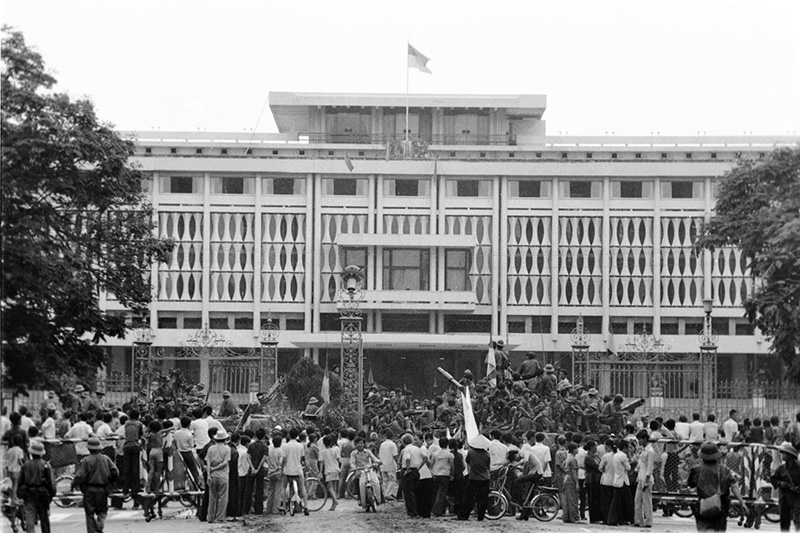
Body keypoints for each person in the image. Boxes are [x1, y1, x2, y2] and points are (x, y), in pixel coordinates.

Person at [688, 441, 747, 532]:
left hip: (704, 507)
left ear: (702, 457)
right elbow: (734, 486)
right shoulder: (724, 469)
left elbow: (691, 484)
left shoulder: (696, 469)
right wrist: (741, 501)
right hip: (721, 507)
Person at [72, 437, 119, 533]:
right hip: (103, 490)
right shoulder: (106, 459)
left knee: (89, 513)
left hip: (89, 490)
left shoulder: (86, 460)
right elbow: (115, 472)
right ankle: (100, 524)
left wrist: (73, 484)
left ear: (88, 448)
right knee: (103, 511)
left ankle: (92, 530)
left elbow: (80, 476)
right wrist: (110, 482)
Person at [18, 440, 55, 533]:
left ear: (31, 453)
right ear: (41, 454)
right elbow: (50, 482)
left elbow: (20, 481)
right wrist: (52, 494)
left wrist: (20, 494)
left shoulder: (26, 465)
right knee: (44, 518)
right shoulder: (46, 465)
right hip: (42, 493)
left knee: (30, 516)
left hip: (29, 493)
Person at [457, 434, 491, 521]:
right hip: (485, 478)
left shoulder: (471, 453)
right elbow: (488, 467)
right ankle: (481, 516)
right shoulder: (487, 454)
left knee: (468, 497)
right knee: (483, 498)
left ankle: (463, 515)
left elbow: (468, 462)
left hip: (473, 478)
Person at [769, 442, 800, 532]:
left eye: (784, 454)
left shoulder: (799, 468)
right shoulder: (781, 469)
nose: (782, 455)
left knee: (798, 520)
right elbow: (773, 479)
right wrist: (780, 483)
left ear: (790, 455)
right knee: (784, 521)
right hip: (784, 498)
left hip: (796, 498)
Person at [606, 439, 634, 526]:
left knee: (616, 501)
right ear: (625, 448)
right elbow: (628, 468)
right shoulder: (623, 456)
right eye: (628, 448)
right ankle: (631, 519)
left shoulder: (616, 455)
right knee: (628, 501)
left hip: (617, 480)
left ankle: (614, 519)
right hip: (623, 481)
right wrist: (631, 459)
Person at [206, 429, 231, 523]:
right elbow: (225, 463)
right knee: (222, 497)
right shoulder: (227, 449)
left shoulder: (211, 448)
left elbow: (208, 462)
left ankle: (210, 517)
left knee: (212, 497)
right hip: (223, 475)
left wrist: (209, 474)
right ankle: (220, 517)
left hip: (212, 476)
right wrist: (215, 468)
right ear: (225, 439)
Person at [283, 427, 309, 516]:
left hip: (288, 470)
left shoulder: (285, 446)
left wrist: (282, 468)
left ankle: (284, 506)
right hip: (298, 470)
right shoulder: (300, 446)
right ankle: (306, 506)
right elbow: (302, 458)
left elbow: (284, 459)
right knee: (302, 487)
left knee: (283, 487)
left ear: (289, 435)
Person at [350, 437, 382, 510]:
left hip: (369, 469)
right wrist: (354, 467)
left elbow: (374, 458)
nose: (359, 445)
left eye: (361, 443)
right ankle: (359, 496)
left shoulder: (368, 452)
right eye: (358, 443)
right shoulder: (353, 453)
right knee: (355, 480)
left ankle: (380, 497)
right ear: (355, 445)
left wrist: (378, 462)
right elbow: (352, 462)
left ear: (364, 444)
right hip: (360, 470)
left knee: (378, 480)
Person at [634, 430, 654, 528]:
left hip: (646, 478)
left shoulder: (650, 451)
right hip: (640, 477)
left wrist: (647, 478)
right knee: (638, 500)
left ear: (645, 439)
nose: (639, 441)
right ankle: (638, 520)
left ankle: (649, 521)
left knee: (647, 501)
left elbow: (650, 467)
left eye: (640, 439)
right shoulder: (643, 450)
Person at [399, 433, 423, 518]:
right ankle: (417, 510)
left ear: (403, 442)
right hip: (416, 470)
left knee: (408, 493)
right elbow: (425, 457)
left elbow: (407, 458)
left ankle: (412, 512)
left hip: (408, 470)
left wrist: (407, 469)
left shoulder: (406, 449)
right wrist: (419, 466)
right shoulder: (417, 448)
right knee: (415, 491)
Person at [430, 436, 454, 517]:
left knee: (437, 492)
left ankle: (437, 509)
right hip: (445, 474)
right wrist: (452, 474)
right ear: (447, 444)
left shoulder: (435, 454)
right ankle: (438, 510)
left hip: (436, 474)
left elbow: (431, 464)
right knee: (442, 493)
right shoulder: (449, 454)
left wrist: (431, 472)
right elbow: (452, 466)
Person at [318, 434, 341, 511]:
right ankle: (333, 504)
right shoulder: (335, 450)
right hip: (336, 469)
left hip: (328, 471)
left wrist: (320, 472)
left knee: (329, 488)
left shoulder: (322, 452)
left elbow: (321, 463)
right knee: (334, 488)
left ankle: (335, 500)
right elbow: (339, 459)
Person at [265, 434, 285, 514]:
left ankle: (268, 509)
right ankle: (275, 510)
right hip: (278, 472)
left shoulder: (269, 449)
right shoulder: (280, 451)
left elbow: (266, 459)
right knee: (277, 492)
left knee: (271, 492)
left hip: (270, 472)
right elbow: (280, 463)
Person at [378, 430, 398, 499]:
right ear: (393, 436)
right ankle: (388, 494)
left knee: (385, 480)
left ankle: (385, 493)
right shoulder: (393, 444)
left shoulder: (382, 444)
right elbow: (395, 455)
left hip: (383, 464)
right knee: (392, 480)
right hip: (391, 464)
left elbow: (379, 454)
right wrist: (398, 462)